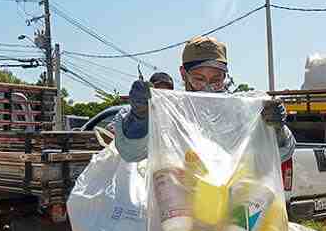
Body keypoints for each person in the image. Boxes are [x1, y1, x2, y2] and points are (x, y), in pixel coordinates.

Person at [114, 36, 295, 164]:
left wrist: (277, 131)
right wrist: (140, 118)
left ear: (225, 76)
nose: (208, 87)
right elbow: (131, 153)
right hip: (178, 210)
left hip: (233, 209)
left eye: (216, 80)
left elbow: (282, 155)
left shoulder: (240, 111)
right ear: (183, 74)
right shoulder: (167, 111)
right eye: (199, 79)